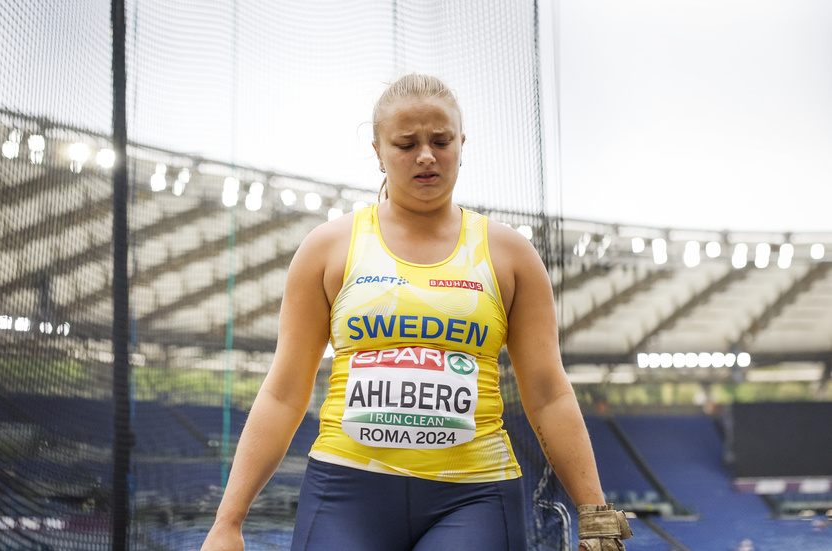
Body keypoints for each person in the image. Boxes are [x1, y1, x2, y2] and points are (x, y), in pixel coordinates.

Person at [201, 73, 631, 551]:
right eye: (406, 144)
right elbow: (284, 392)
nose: (426, 155)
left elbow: (549, 393)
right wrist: (228, 522)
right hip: (347, 492)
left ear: (461, 144)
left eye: (440, 141)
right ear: (378, 151)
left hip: (476, 498)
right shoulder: (328, 248)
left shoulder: (510, 255)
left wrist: (594, 513)